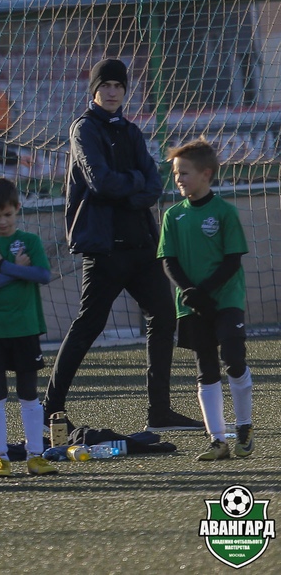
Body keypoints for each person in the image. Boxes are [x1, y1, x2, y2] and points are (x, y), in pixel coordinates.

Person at [43, 58, 200, 433]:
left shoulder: (131, 131)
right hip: (104, 248)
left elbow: (154, 184)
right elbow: (100, 182)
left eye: (119, 86)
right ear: (95, 89)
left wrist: (128, 187)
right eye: (106, 85)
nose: (113, 92)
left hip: (142, 245)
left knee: (163, 316)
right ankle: (51, 407)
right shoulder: (83, 129)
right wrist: (133, 188)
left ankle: (159, 411)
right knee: (88, 325)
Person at [158, 139, 254, 461]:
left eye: (184, 172)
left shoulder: (224, 212)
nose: (178, 179)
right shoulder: (173, 216)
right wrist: (190, 292)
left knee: (233, 358)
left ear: (206, 174)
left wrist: (206, 291)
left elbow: (232, 260)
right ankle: (217, 440)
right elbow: (168, 260)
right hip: (191, 303)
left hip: (225, 298)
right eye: (175, 173)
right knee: (205, 369)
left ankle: (244, 429)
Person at [0, 178, 57, 478]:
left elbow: (43, 275)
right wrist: (19, 271)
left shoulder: (29, 242)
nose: (3, 221)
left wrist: (4, 266)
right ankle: (0, 458)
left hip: (25, 327)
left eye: (7, 214)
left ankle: (35, 455)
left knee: (29, 393)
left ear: (17, 209)